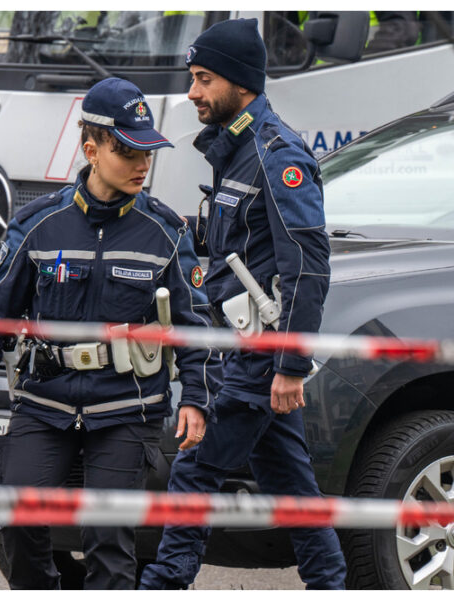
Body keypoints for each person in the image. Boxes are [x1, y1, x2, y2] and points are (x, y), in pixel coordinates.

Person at [0, 77, 221, 590]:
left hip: (127, 407)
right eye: (127, 151)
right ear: (91, 149)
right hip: (46, 402)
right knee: (19, 517)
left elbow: (196, 322)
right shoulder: (39, 225)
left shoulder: (166, 233)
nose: (142, 164)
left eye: (148, 151)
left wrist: (196, 398)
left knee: (109, 542)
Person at [139, 18, 346, 590]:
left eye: (203, 79)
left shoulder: (277, 155)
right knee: (293, 488)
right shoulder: (237, 152)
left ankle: (163, 583)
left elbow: (307, 267)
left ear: (240, 82)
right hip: (241, 350)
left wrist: (289, 364)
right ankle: (331, 584)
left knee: (194, 470)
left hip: (258, 354)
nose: (192, 92)